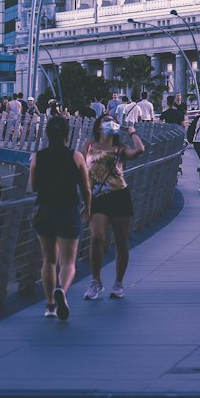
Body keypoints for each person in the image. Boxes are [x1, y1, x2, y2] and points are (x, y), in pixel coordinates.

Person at [29, 114, 92, 320]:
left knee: (48, 259)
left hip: (45, 210)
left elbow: (33, 187)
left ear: (47, 134)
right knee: (68, 261)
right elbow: (86, 188)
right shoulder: (76, 157)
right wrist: (88, 208)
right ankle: (62, 291)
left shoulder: (37, 157)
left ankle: (49, 306)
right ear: (67, 134)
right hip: (68, 210)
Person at [83, 116, 145, 301]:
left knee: (120, 240)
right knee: (96, 238)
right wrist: (84, 202)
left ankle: (118, 283)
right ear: (98, 126)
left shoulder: (121, 148)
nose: (110, 123)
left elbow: (140, 150)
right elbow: (81, 172)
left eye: (112, 120)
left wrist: (132, 132)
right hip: (97, 198)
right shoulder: (88, 145)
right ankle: (95, 281)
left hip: (119, 195)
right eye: (106, 120)